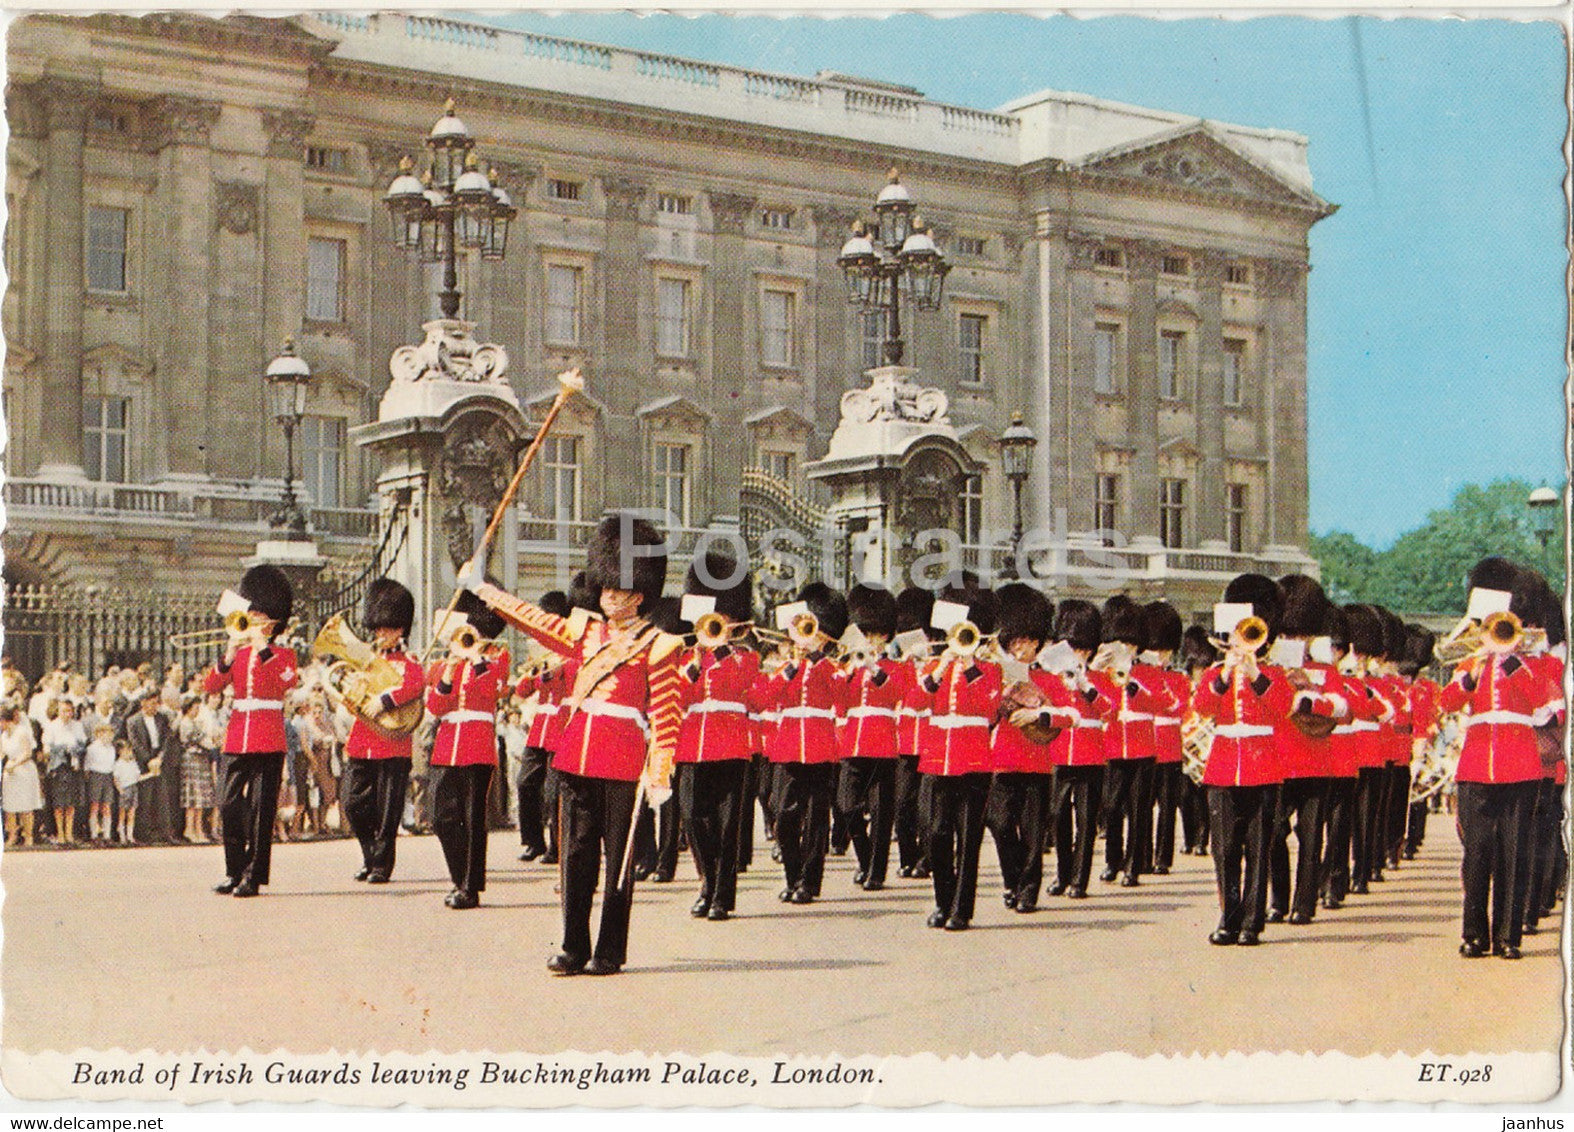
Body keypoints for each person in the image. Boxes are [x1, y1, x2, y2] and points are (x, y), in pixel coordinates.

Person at [462, 513, 683, 976]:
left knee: (618, 863)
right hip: (577, 754)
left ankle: (609, 950)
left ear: (638, 595)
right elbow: (531, 618)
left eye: (618, 591)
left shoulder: (659, 646)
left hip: (624, 762)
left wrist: (660, 771)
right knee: (576, 857)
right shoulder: (584, 633)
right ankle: (573, 945)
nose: (608, 598)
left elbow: (666, 713)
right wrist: (484, 589)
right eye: (605, 589)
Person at [1443, 560, 1554, 960]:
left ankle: (1509, 936)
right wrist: (1473, 669)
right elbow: (1448, 701)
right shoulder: (1469, 664)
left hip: (1520, 766)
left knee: (1514, 853)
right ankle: (1474, 934)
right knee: (1476, 855)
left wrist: (1509, 660)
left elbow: (1547, 708)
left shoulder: (1532, 664)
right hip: (1475, 767)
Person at [1194, 575, 1291, 946]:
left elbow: (1282, 709)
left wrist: (1254, 674)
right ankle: (1228, 918)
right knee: (1225, 850)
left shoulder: (1275, 674)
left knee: (1258, 848)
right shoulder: (1212, 673)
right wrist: (1224, 672)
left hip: (1263, 766)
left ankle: (1252, 922)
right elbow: (1202, 707)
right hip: (1222, 767)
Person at [674, 549, 759, 921]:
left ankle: (722, 895)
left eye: (723, 618)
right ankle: (708, 881)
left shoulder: (744, 656)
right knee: (692, 816)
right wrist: (694, 664)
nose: (716, 624)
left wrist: (721, 648)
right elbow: (679, 695)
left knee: (726, 827)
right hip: (693, 744)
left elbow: (744, 686)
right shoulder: (689, 657)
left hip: (730, 744)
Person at [206, 564, 299, 898]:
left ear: (273, 621)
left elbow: (287, 683)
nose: (253, 621)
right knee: (228, 802)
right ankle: (234, 869)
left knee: (262, 809)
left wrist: (262, 647)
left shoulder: (284, 655)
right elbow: (212, 685)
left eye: (259, 616)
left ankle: (254, 874)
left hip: (268, 734)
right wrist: (229, 654)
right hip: (237, 733)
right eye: (251, 614)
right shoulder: (239, 652)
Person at [916, 581, 1000, 930]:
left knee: (968, 838)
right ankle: (942, 900)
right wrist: (939, 667)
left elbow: (990, 707)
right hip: (937, 758)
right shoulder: (936, 666)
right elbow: (919, 701)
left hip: (974, 760)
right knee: (936, 833)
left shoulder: (989, 670)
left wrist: (968, 664)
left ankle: (961, 909)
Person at [984, 583, 1070, 913]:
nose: (1023, 648)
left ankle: (1028, 890)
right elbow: (986, 715)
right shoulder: (997, 675)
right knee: (1000, 824)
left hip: (1036, 762)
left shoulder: (1048, 678)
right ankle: (1012, 878)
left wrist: (1038, 713)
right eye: (1017, 641)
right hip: (1004, 759)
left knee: (1034, 832)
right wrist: (1001, 695)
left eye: (1030, 641)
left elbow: (1067, 715)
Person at [760, 581, 848, 907]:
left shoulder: (832, 668)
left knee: (815, 820)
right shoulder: (786, 668)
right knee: (783, 814)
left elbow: (843, 698)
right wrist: (793, 667)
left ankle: (809, 883)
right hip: (787, 746)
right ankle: (792, 876)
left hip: (820, 747)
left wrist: (816, 659)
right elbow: (767, 697)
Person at [425, 590, 509, 909]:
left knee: (473, 820)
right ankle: (459, 876)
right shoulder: (442, 666)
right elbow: (435, 706)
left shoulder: (495, 662)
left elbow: (491, 692)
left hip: (477, 747)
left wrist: (475, 658)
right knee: (442, 818)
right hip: (447, 748)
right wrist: (448, 671)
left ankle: (469, 888)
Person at [340, 578, 425, 884]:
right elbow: (353, 690)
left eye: (387, 628)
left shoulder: (409, 662)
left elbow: (416, 685)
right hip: (363, 739)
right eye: (377, 629)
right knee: (352, 802)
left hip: (393, 743)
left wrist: (385, 699)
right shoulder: (366, 662)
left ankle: (381, 865)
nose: (381, 634)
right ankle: (368, 855)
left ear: (400, 629)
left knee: (388, 811)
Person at [1095, 595, 1176, 887]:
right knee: (1112, 808)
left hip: (1143, 747)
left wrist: (1134, 686)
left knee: (1139, 811)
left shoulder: (1148, 671)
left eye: (1130, 644)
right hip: (1115, 746)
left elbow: (1166, 704)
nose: (1126, 649)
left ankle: (1132, 867)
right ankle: (1111, 861)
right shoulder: (1101, 672)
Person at [835, 583, 907, 893]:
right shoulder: (847, 668)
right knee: (847, 807)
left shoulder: (895, 668)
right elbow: (836, 701)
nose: (872, 640)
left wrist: (874, 667)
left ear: (887, 636)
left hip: (883, 746)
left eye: (878, 634)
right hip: (853, 744)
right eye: (867, 634)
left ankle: (877, 871)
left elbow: (895, 695)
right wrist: (848, 671)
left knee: (881, 813)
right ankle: (865, 861)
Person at [1044, 599, 1117, 899]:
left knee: (1086, 822)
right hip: (1060, 752)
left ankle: (1079, 880)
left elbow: (1109, 711)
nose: (1078, 654)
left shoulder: (1100, 679)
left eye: (1083, 649)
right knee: (1058, 817)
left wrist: (1086, 686)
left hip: (1090, 755)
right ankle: (1062, 875)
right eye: (1073, 648)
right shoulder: (1052, 680)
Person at [514, 590, 572, 862]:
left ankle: (557, 845)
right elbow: (521, 691)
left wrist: (555, 669)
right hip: (540, 729)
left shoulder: (569, 652)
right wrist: (535, 672)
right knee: (525, 782)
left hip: (561, 728)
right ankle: (532, 840)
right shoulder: (541, 650)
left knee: (553, 792)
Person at [1143, 601, 1192, 876]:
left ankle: (1163, 858)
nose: (1161, 656)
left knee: (1167, 809)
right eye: (1156, 650)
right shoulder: (1140, 676)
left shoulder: (1178, 678)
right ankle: (1143, 856)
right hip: (1149, 745)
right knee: (1143, 809)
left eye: (1165, 650)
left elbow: (1180, 707)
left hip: (1171, 749)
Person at [42, 698, 87, 846]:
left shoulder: (77, 726)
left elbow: (83, 745)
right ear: (58, 711)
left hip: (73, 766)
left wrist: (74, 750)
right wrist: (61, 749)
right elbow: (47, 748)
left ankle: (69, 833)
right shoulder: (51, 726)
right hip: (58, 767)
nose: (67, 714)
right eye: (64, 711)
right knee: (59, 803)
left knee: (71, 802)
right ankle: (60, 832)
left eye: (69, 711)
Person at [2, 705, 42, 847]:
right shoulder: (3, 736)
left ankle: (28, 837)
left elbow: (27, 753)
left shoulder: (22, 732)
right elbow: (2, 754)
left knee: (26, 806)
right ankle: (12, 836)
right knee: (10, 807)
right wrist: (7, 766)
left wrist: (14, 764)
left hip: (24, 770)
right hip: (10, 773)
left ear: (5, 720)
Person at [83, 722, 118, 843]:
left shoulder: (112, 748)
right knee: (95, 805)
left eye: (111, 734)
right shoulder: (92, 748)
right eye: (106, 733)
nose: (109, 736)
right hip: (95, 775)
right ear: (99, 734)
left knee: (107, 805)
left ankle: (106, 835)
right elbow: (87, 766)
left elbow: (112, 765)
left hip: (108, 776)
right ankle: (94, 834)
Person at [112, 740, 141, 845]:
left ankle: (130, 836)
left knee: (132, 813)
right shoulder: (118, 764)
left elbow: (138, 777)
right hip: (124, 788)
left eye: (129, 750)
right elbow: (115, 779)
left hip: (134, 788)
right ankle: (122, 836)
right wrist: (120, 790)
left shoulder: (133, 763)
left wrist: (152, 774)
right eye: (125, 750)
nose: (128, 753)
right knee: (122, 813)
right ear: (120, 751)